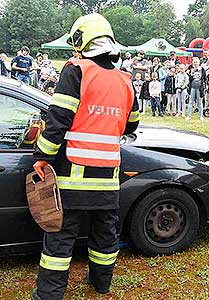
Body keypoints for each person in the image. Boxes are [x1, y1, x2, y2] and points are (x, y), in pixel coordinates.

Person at [31, 13, 140, 300]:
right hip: (108, 180)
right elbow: (132, 124)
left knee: (60, 238)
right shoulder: (125, 81)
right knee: (105, 236)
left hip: (72, 178)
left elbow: (57, 120)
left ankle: (48, 294)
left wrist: (42, 155)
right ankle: (101, 284)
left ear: (81, 40)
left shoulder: (76, 70)